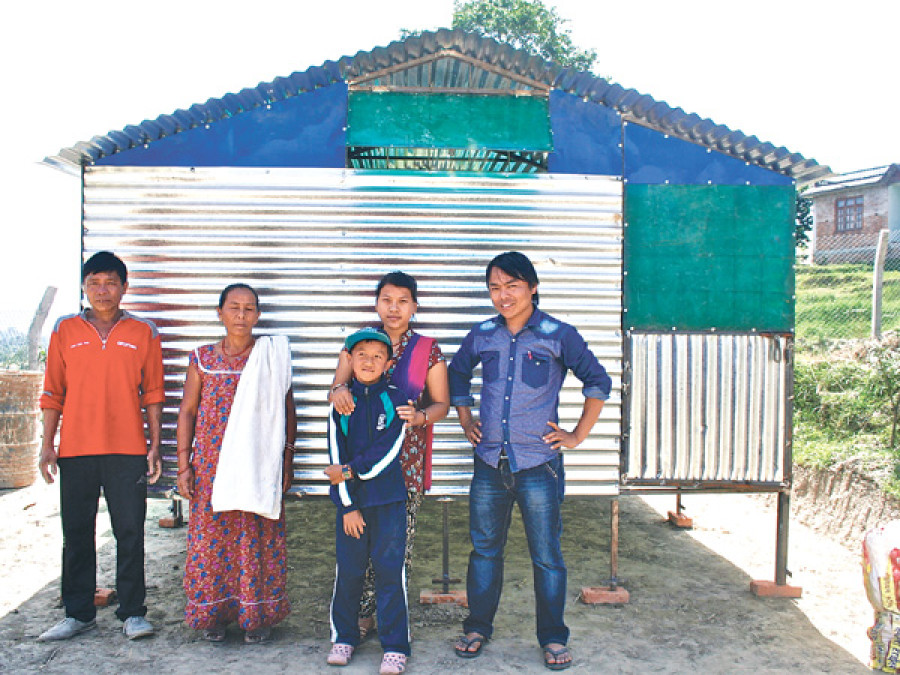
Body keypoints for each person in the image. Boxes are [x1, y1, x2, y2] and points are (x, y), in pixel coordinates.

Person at [448, 252, 612, 671]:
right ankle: (478, 626)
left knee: (547, 555)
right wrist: (466, 418)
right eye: (495, 288)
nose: (502, 296)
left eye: (512, 286)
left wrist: (576, 435)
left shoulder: (558, 334)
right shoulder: (483, 333)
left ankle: (553, 637)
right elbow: (456, 375)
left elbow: (598, 381)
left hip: (539, 464)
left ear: (532, 287)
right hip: (489, 463)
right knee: (484, 550)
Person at [37, 251, 164, 642]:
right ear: (84, 287)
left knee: (130, 531)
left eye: (111, 283)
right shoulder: (65, 330)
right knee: (76, 532)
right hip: (76, 448)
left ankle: (133, 613)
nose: (103, 291)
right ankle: (78, 613)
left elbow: (154, 393)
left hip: (127, 449)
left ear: (125, 287)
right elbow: (52, 392)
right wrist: (47, 445)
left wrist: (155, 445)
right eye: (94, 283)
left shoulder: (144, 332)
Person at [328, 271, 449, 637]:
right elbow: (337, 386)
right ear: (376, 303)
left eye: (402, 301)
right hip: (356, 463)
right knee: (357, 542)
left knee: (395, 550)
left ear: (414, 305)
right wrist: (337, 391)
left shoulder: (428, 349)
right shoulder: (360, 343)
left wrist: (422, 416)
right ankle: (360, 618)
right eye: (386, 300)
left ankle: (389, 621)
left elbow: (442, 403)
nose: (393, 308)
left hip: (403, 467)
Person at [175, 283, 296, 643]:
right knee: (211, 541)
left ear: (258, 315)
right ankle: (214, 614)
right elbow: (188, 411)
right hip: (212, 467)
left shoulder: (271, 357)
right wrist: (184, 464)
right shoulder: (202, 359)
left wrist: (287, 459)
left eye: (248, 309)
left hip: (259, 465)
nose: (241, 316)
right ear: (220, 313)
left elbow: (288, 412)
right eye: (233, 308)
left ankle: (256, 616)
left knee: (256, 535)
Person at [325, 327, 411, 675]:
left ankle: (395, 646)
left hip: (388, 502)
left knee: (390, 573)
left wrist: (349, 470)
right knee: (349, 571)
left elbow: (387, 452)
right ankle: (344, 636)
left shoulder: (397, 398)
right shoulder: (341, 402)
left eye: (378, 356)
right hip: (352, 507)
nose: (369, 361)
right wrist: (347, 505)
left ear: (388, 363)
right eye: (361, 355)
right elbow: (334, 453)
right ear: (350, 360)